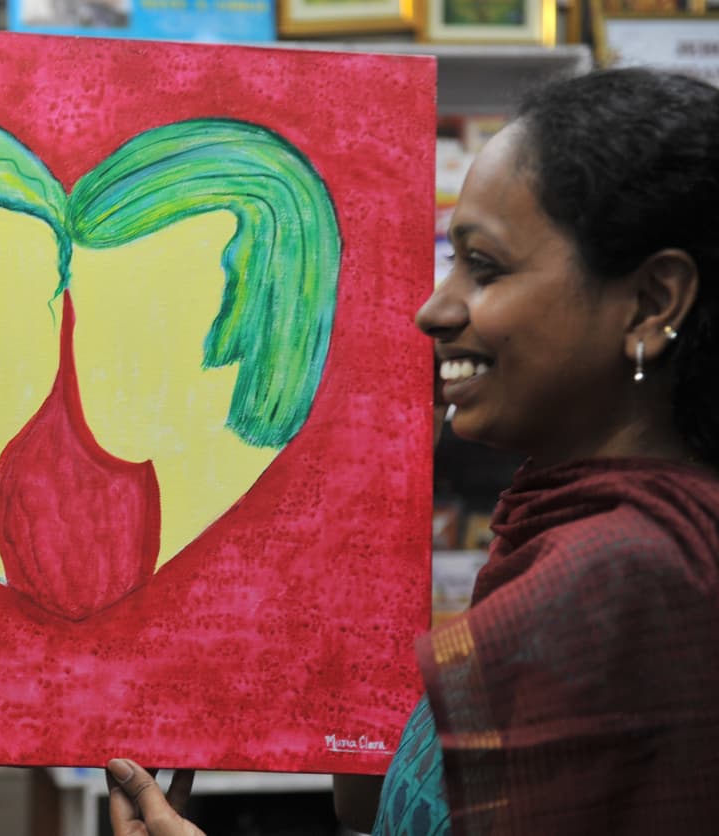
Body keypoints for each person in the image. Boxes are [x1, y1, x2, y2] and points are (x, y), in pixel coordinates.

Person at [104, 67, 719, 835]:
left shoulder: (616, 582)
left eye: (484, 267)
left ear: (653, 302)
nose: (433, 309)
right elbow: (379, 801)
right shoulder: (581, 542)